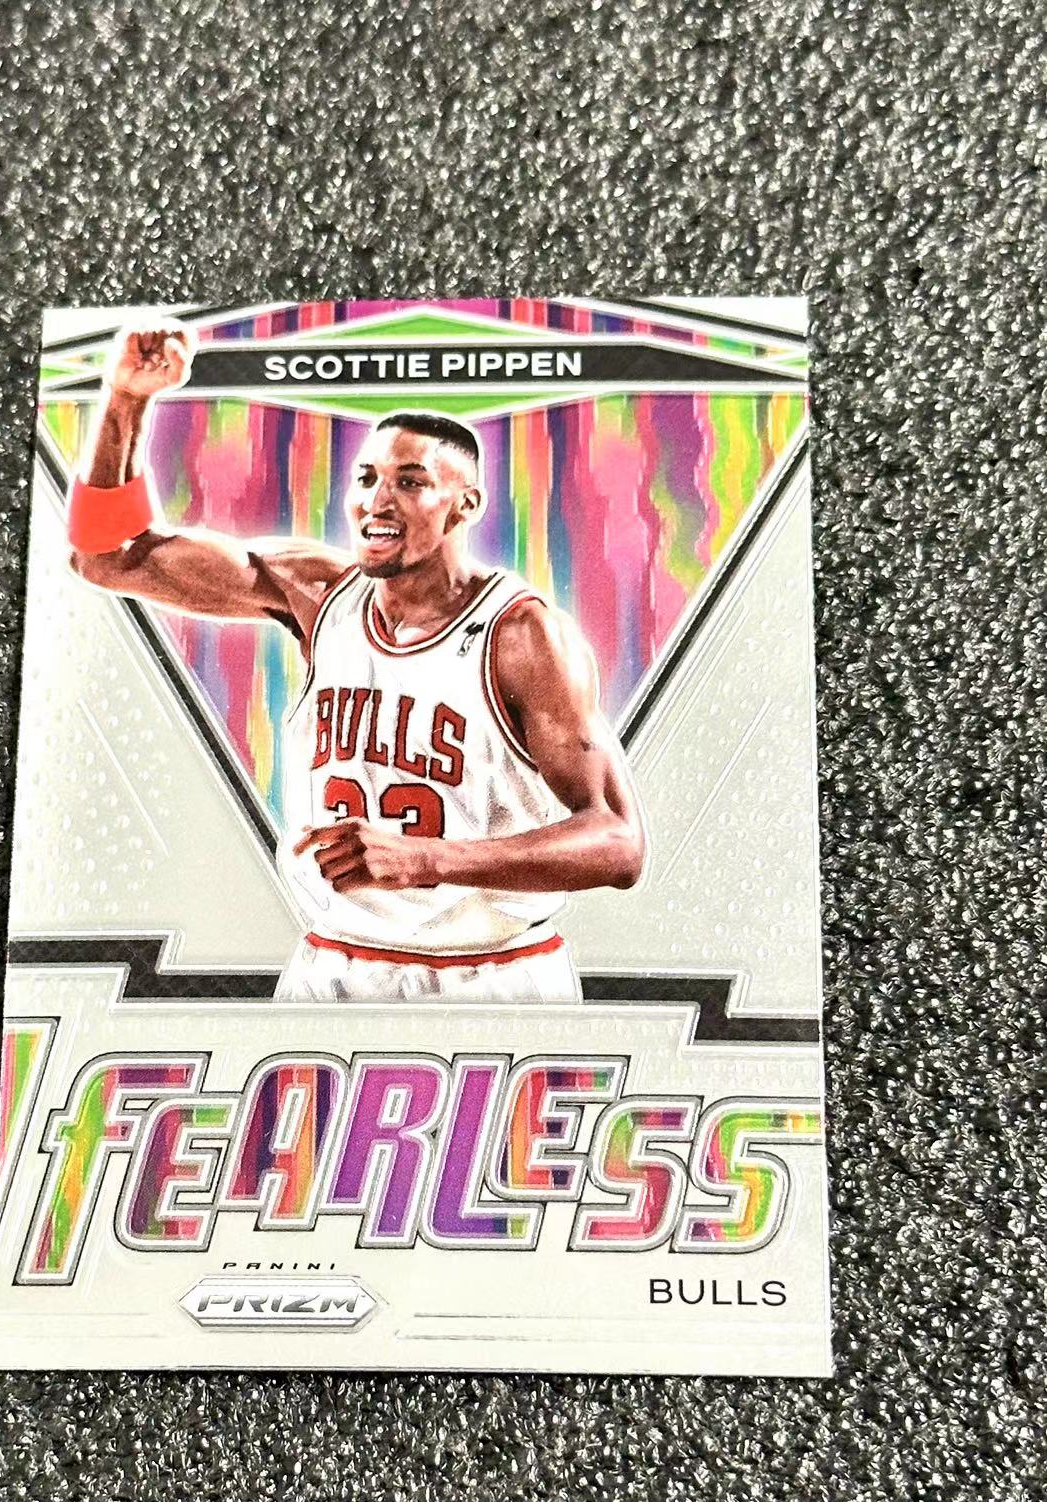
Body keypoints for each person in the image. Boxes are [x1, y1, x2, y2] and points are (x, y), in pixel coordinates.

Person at [68, 326, 645, 1003]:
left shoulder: (521, 634)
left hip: (495, 971)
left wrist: (430, 859)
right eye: (367, 479)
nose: (378, 501)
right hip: (336, 962)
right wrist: (126, 400)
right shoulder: (317, 593)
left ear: (465, 504)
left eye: (410, 482)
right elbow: (107, 557)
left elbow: (618, 844)